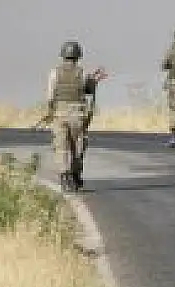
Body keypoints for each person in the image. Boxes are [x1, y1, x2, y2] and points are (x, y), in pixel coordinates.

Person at [42, 40, 104, 191]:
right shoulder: (82, 73)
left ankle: (64, 176)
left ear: (63, 55)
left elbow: (50, 96)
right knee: (78, 146)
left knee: (61, 146)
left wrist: (50, 113)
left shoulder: (54, 73)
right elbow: (88, 91)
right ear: (78, 56)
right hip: (77, 113)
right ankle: (75, 175)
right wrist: (94, 81)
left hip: (59, 113)